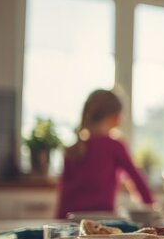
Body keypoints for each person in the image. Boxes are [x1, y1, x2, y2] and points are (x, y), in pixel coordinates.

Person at [56, 89, 154, 218]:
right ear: (116, 117)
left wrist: (59, 224)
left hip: (72, 222)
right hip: (102, 223)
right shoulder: (115, 146)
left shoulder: (73, 150)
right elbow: (137, 179)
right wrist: (152, 207)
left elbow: (64, 196)